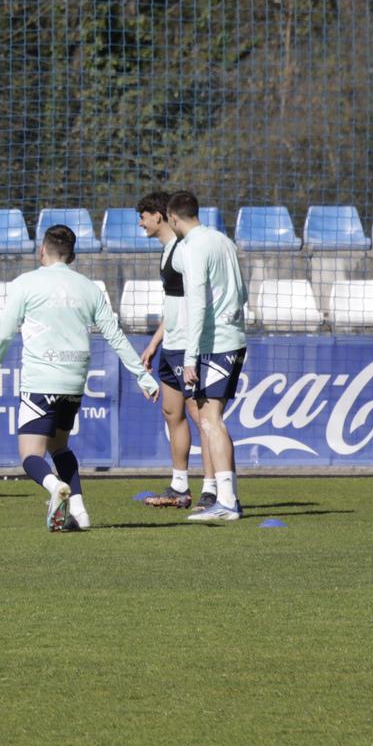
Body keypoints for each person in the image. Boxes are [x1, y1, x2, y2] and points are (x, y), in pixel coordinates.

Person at [0, 224, 159, 532]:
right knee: (59, 447)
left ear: (42, 250)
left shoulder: (26, 283)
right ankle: (80, 512)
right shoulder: (89, 287)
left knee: (30, 455)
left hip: (41, 381)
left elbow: (4, 332)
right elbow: (114, 335)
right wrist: (142, 376)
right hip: (74, 381)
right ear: (72, 255)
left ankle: (54, 487)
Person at [168, 191, 249, 523]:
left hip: (215, 343)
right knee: (210, 418)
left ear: (173, 219)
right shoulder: (223, 240)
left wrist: (190, 356)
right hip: (233, 336)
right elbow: (242, 290)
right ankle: (227, 497)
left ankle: (227, 502)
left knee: (210, 420)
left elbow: (197, 300)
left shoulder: (192, 247)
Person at [134, 189, 206, 510]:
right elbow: (173, 306)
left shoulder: (182, 250)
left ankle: (216, 489)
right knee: (171, 413)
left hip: (187, 346)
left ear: (159, 216)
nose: (140, 223)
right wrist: (153, 343)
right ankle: (180, 488)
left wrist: (193, 345)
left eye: (143, 216)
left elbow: (198, 300)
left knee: (203, 417)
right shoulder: (166, 252)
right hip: (171, 345)